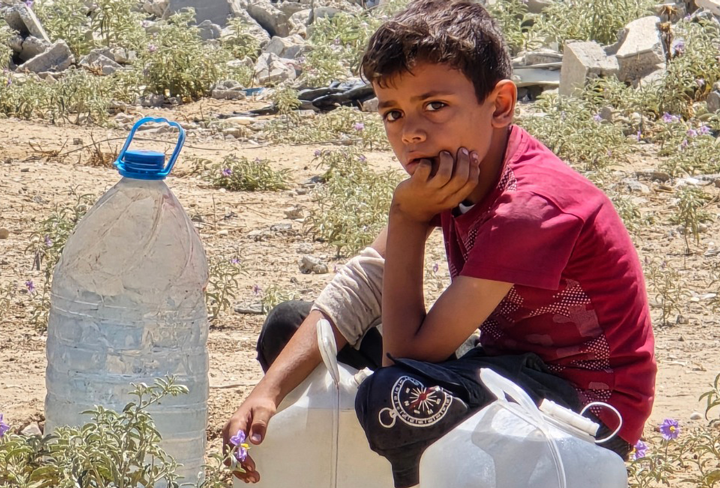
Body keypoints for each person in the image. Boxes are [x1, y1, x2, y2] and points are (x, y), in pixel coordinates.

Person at [222, 1, 657, 486]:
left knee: (394, 395)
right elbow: (368, 279)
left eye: (435, 106)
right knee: (294, 331)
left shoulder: (530, 205)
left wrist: (407, 217)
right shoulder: (459, 167)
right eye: (393, 112)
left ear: (500, 105)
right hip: (503, 371)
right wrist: (268, 389)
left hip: (580, 415)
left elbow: (407, 358)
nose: (411, 131)